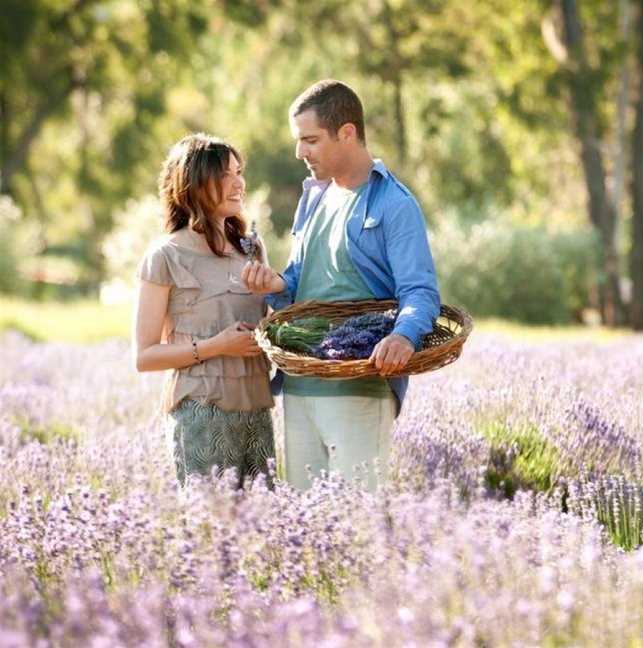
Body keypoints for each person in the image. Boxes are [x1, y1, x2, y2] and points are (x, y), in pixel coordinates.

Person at [242, 79, 440, 492]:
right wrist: (275, 283)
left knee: (358, 520)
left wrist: (404, 336)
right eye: (299, 141)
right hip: (299, 385)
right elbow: (298, 283)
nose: (300, 152)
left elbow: (419, 291)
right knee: (303, 521)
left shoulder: (393, 204)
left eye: (310, 139)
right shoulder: (314, 199)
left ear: (347, 132)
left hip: (359, 388)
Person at [134, 133, 276, 488]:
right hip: (201, 410)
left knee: (264, 527)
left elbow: (267, 325)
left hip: (256, 406)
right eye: (226, 174)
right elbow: (145, 356)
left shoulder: (251, 248)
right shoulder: (165, 255)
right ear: (194, 183)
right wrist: (217, 346)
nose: (239, 182)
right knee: (210, 528)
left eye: (239, 171)